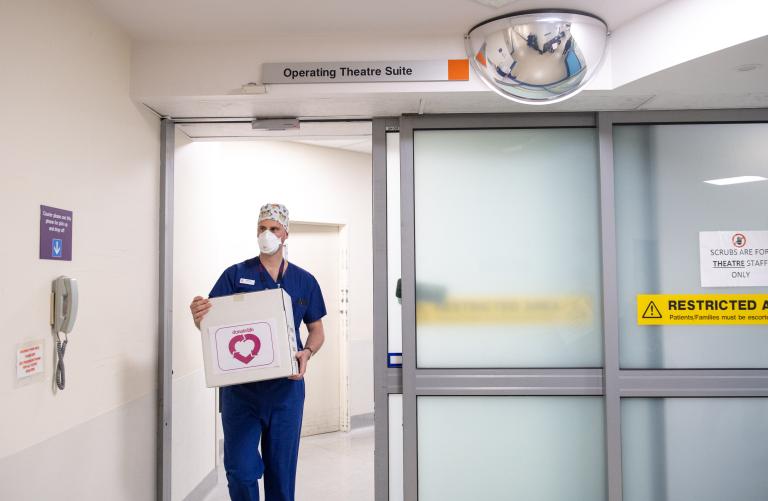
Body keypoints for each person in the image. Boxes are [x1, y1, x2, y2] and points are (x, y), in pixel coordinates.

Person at [189, 203, 326, 501]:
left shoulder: (305, 280)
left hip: (286, 394)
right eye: (262, 229)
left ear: (286, 233)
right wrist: (198, 315)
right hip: (242, 394)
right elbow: (212, 326)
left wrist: (307, 352)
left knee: (281, 475)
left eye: (274, 228)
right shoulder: (235, 275)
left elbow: (316, 330)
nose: (267, 234)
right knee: (240, 470)